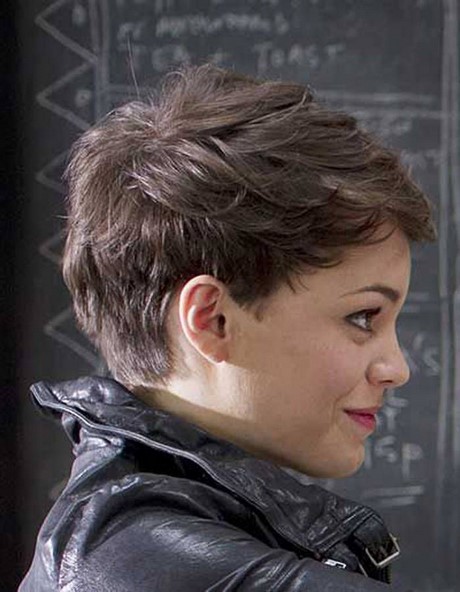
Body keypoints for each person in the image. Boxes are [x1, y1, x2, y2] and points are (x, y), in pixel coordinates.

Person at [19, 63, 436, 591]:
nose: (396, 368)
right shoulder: (142, 564)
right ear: (212, 319)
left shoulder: (136, 533)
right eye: (362, 317)